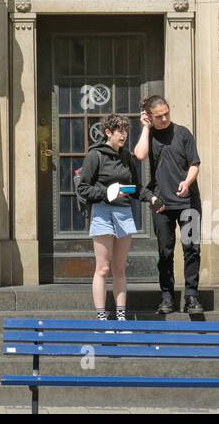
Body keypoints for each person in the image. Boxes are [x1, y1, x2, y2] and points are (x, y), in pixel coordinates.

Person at [75, 114, 153, 321]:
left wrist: (151, 198)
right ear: (108, 132)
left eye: (126, 131)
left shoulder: (126, 157)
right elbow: (83, 188)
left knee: (119, 268)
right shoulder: (95, 155)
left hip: (124, 213)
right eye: (120, 131)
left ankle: (121, 315)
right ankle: (101, 317)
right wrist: (107, 193)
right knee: (103, 267)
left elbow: (135, 188)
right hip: (102, 212)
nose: (124, 135)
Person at [134, 95, 203, 315]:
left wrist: (188, 181)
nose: (164, 118)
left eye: (167, 113)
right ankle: (167, 297)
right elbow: (140, 155)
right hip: (161, 203)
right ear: (149, 117)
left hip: (188, 200)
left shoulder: (183, 133)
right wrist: (145, 128)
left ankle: (191, 296)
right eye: (158, 116)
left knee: (192, 249)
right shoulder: (150, 135)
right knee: (165, 252)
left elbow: (194, 163)